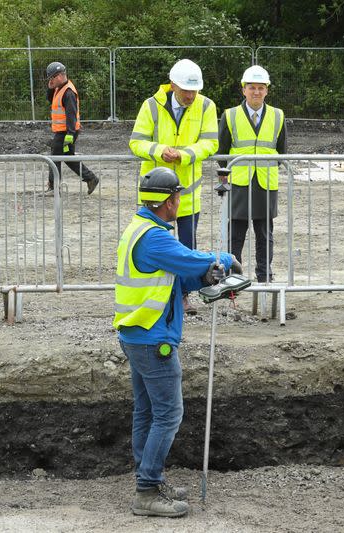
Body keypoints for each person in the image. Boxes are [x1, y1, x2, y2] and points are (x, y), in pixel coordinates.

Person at [113, 167, 241, 518]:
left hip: (137, 333)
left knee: (147, 411)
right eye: (178, 196)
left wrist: (204, 280)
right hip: (153, 339)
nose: (180, 201)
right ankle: (147, 490)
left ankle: (148, 480)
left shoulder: (141, 229)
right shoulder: (155, 237)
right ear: (169, 201)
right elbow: (188, 258)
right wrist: (224, 260)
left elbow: (172, 278)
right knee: (168, 414)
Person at [129, 58, 219, 315]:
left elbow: (211, 143)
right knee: (154, 247)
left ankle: (182, 296)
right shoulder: (151, 106)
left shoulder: (206, 107)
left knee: (186, 251)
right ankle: (156, 297)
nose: (191, 95)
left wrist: (185, 154)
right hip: (155, 197)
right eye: (186, 90)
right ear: (172, 86)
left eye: (194, 90)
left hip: (188, 195)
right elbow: (136, 142)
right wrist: (159, 151)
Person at [217, 65, 286, 282]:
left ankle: (264, 275)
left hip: (265, 182)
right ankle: (232, 276)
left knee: (265, 234)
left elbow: (282, 150)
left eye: (260, 88)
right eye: (252, 87)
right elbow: (222, 150)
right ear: (243, 90)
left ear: (267, 90)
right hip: (239, 181)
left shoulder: (277, 115)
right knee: (236, 233)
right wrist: (225, 174)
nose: (256, 92)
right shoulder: (230, 115)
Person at [44, 61, 99, 195]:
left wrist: (70, 134)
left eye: (51, 78)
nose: (50, 80)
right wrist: (50, 88)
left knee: (54, 158)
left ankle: (54, 187)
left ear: (59, 76)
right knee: (68, 157)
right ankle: (90, 178)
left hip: (66, 132)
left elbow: (71, 115)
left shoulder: (68, 92)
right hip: (64, 131)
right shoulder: (59, 88)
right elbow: (51, 100)